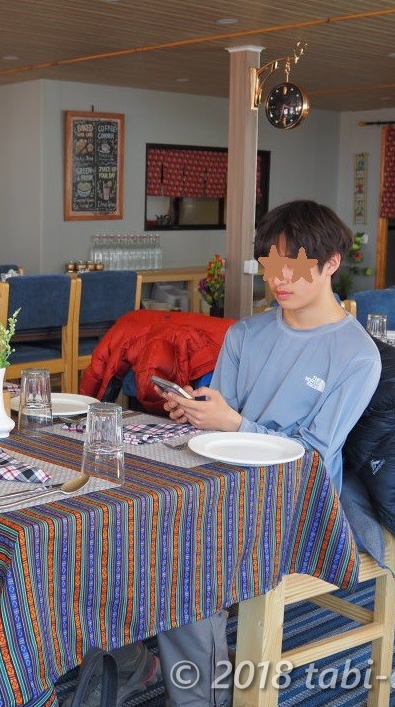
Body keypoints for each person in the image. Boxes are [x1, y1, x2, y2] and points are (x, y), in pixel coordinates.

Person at [155, 200, 382, 707]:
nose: (279, 279)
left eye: (294, 266)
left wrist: (234, 424)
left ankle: (199, 700)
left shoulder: (357, 356)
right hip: (222, 479)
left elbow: (314, 457)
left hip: (297, 500)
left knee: (189, 560)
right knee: (131, 524)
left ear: (331, 263)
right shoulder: (246, 333)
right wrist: (197, 413)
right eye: (270, 264)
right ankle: (133, 663)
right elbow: (223, 418)